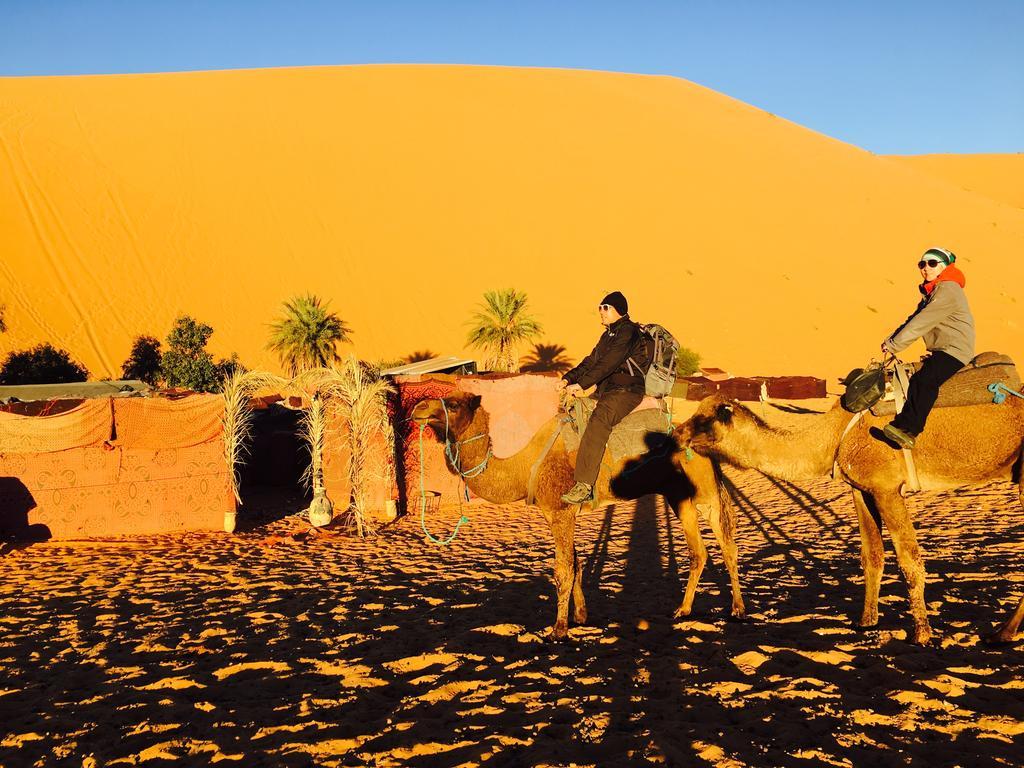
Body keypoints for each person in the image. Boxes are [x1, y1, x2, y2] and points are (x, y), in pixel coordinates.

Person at [557, 291, 649, 504]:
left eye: (605, 308)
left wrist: (582, 385)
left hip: (626, 391)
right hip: (607, 390)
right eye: (600, 307)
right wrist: (567, 380)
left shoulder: (628, 332)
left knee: (599, 421)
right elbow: (591, 361)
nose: (601, 312)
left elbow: (609, 363)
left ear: (618, 310)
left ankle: (584, 485)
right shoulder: (608, 335)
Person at [880, 247, 975, 448]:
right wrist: (890, 340)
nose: (926, 268)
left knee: (924, 381)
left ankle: (910, 430)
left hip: (955, 349)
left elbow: (922, 322)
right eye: (922, 264)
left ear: (944, 267)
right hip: (944, 348)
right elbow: (913, 319)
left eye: (932, 263)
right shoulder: (934, 290)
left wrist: (895, 344)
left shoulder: (948, 289)